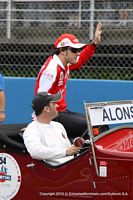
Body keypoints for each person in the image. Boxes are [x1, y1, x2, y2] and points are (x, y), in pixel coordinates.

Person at [34, 22, 103, 139]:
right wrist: (38, 125)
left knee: (99, 124)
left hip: (61, 112)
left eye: (79, 49)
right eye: (74, 50)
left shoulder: (65, 63)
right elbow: (40, 98)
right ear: (63, 51)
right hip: (53, 116)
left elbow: (81, 59)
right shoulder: (51, 70)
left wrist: (94, 43)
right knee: (92, 127)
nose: (78, 53)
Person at [23, 92, 81, 166]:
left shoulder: (58, 125)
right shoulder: (32, 129)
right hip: (56, 173)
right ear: (47, 109)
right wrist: (65, 152)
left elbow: (69, 152)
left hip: (71, 168)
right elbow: (35, 152)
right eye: (54, 103)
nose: (57, 105)